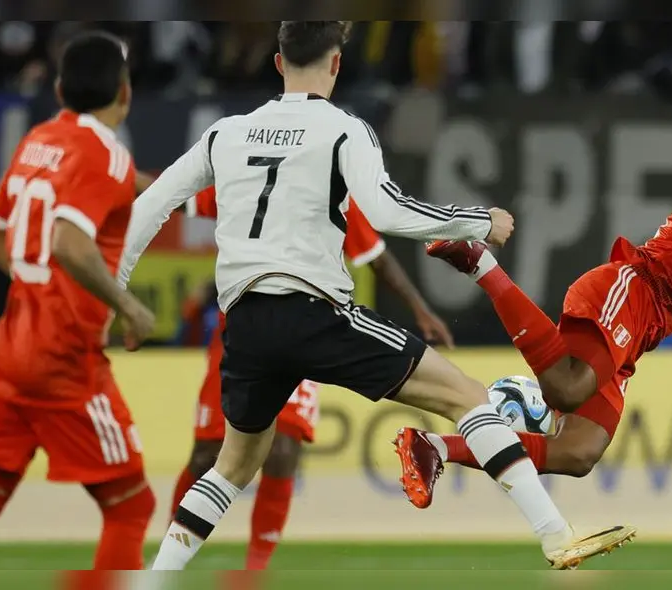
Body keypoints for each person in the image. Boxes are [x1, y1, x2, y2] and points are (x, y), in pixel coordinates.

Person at [117, 21, 634, 571]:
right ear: (336, 64)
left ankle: (154, 582)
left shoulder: (225, 133)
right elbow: (387, 212)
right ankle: (555, 534)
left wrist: (120, 298)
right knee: (466, 396)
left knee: (232, 467)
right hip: (315, 311)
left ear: (277, 64)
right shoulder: (343, 129)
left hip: (245, 323)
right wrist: (476, 221)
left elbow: (149, 207)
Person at [398, 113, 672, 504]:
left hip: (642, 334)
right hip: (632, 291)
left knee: (578, 453)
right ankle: (481, 264)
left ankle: (433, 447)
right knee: (566, 389)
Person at [171, 186, 454, 570]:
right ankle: (171, 558)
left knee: (283, 452)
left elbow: (377, 258)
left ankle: (256, 570)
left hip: (308, 328)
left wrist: (420, 311)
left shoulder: (331, 189)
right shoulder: (249, 175)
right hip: (241, 332)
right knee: (207, 456)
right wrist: (122, 183)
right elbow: (175, 195)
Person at [0, 32, 156, 569]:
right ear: (125, 93)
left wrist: (36, 285)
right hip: (63, 364)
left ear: (58, 89)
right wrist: (128, 306)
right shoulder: (106, 153)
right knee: (131, 506)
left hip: (6, 353)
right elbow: (69, 242)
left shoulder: (38, 141)